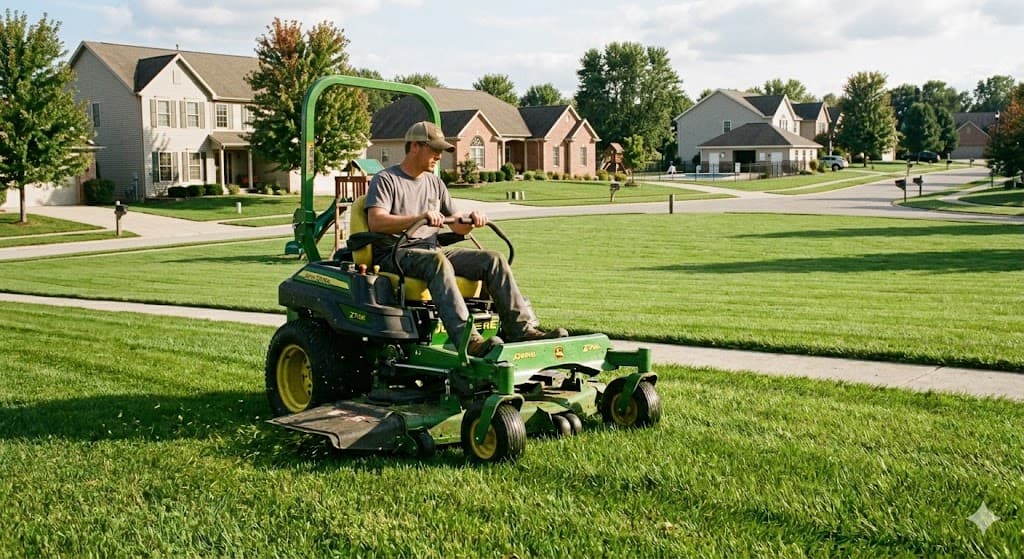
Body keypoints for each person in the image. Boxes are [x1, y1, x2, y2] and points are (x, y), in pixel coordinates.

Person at [364, 121, 567, 357]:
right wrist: (418, 218)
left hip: (430, 249)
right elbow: (376, 222)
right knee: (437, 261)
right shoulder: (386, 179)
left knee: (493, 259)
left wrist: (470, 220)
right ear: (415, 147)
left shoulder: (434, 183)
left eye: (441, 151)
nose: (440, 156)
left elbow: (456, 223)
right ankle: (468, 340)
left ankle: (520, 330)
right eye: (435, 150)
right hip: (395, 253)